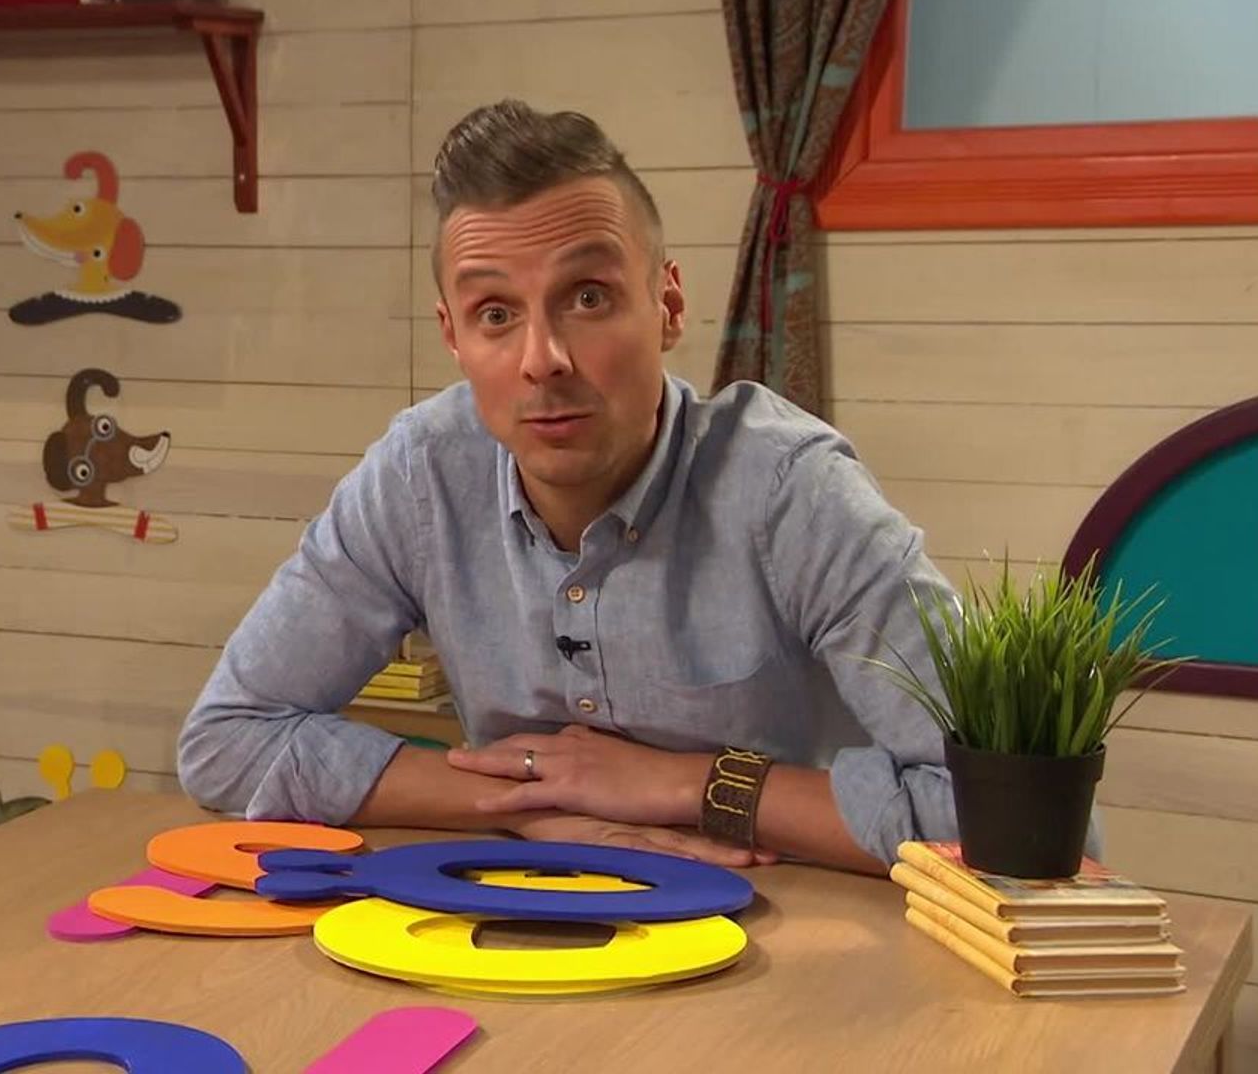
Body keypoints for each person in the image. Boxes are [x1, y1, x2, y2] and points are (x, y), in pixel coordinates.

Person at [175, 99, 961, 876]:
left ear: (667, 306)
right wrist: (532, 802)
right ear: (452, 336)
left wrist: (688, 785)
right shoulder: (421, 475)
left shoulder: (793, 490)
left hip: (789, 918)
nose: (542, 359)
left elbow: (994, 808)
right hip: (520, 907)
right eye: (495, 314)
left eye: (588, 298)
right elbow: (227, 739)